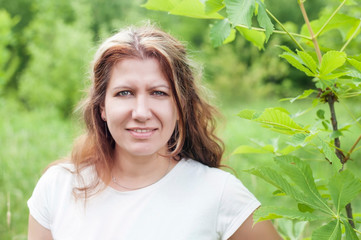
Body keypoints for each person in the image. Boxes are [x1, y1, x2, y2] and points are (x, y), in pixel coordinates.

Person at [27, 24, 282, 240]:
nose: (141, 112)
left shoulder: (219, 193)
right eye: (124, 93)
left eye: (158, 93)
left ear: (180, 105)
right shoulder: (58, 187)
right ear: (102, 106)